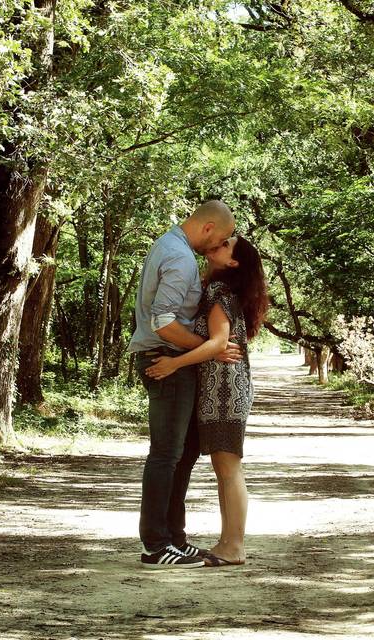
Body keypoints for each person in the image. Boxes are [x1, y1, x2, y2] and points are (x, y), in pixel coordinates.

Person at [129, 200, 241, 569]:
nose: (221, 245)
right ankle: (156, 546)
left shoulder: (168, 245)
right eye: (223, 238)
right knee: (166, 455)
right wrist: (211, 349)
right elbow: (164, 322)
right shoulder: (180, 258)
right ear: (208, 228)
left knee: (183, 455)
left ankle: (174, 538)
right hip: (166, 361)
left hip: (172, 361)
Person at [145, 235, 269, 567]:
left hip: (225, 392)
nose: (218, 243)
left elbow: (217, 344)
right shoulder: (218, 290)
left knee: (228, 469)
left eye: (227, 244)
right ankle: (228, 543)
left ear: (233, 263)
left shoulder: (220, 293)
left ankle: (234, 545)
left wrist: (173, 363)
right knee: (225, 469)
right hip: (222, 390)